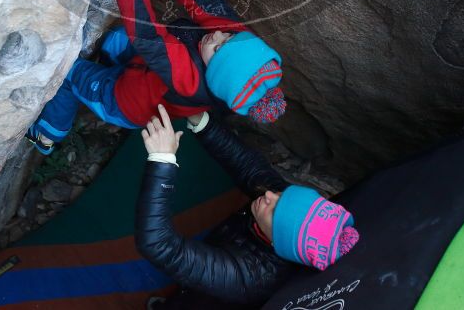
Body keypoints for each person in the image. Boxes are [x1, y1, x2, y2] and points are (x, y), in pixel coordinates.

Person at [25, 0, 287, 154]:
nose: (217, 35)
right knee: (116, 39)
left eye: (218, 49)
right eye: (229, 38)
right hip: (144, 71)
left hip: (124, 101)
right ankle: (105, 67)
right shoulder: (233, 38)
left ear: (214, 74)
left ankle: (48, 135)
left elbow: (146, 35)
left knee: (67, 73)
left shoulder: (189, 80)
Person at [136, 105, 359, 306]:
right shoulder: (284, 210)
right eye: (284, 195)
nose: (270, 196)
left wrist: (162, 160)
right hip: (225, 248)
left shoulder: (247, 277)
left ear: (276, 242)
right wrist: (201, 121)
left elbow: (159, 245)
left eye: (274, 210)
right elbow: (248, 167)